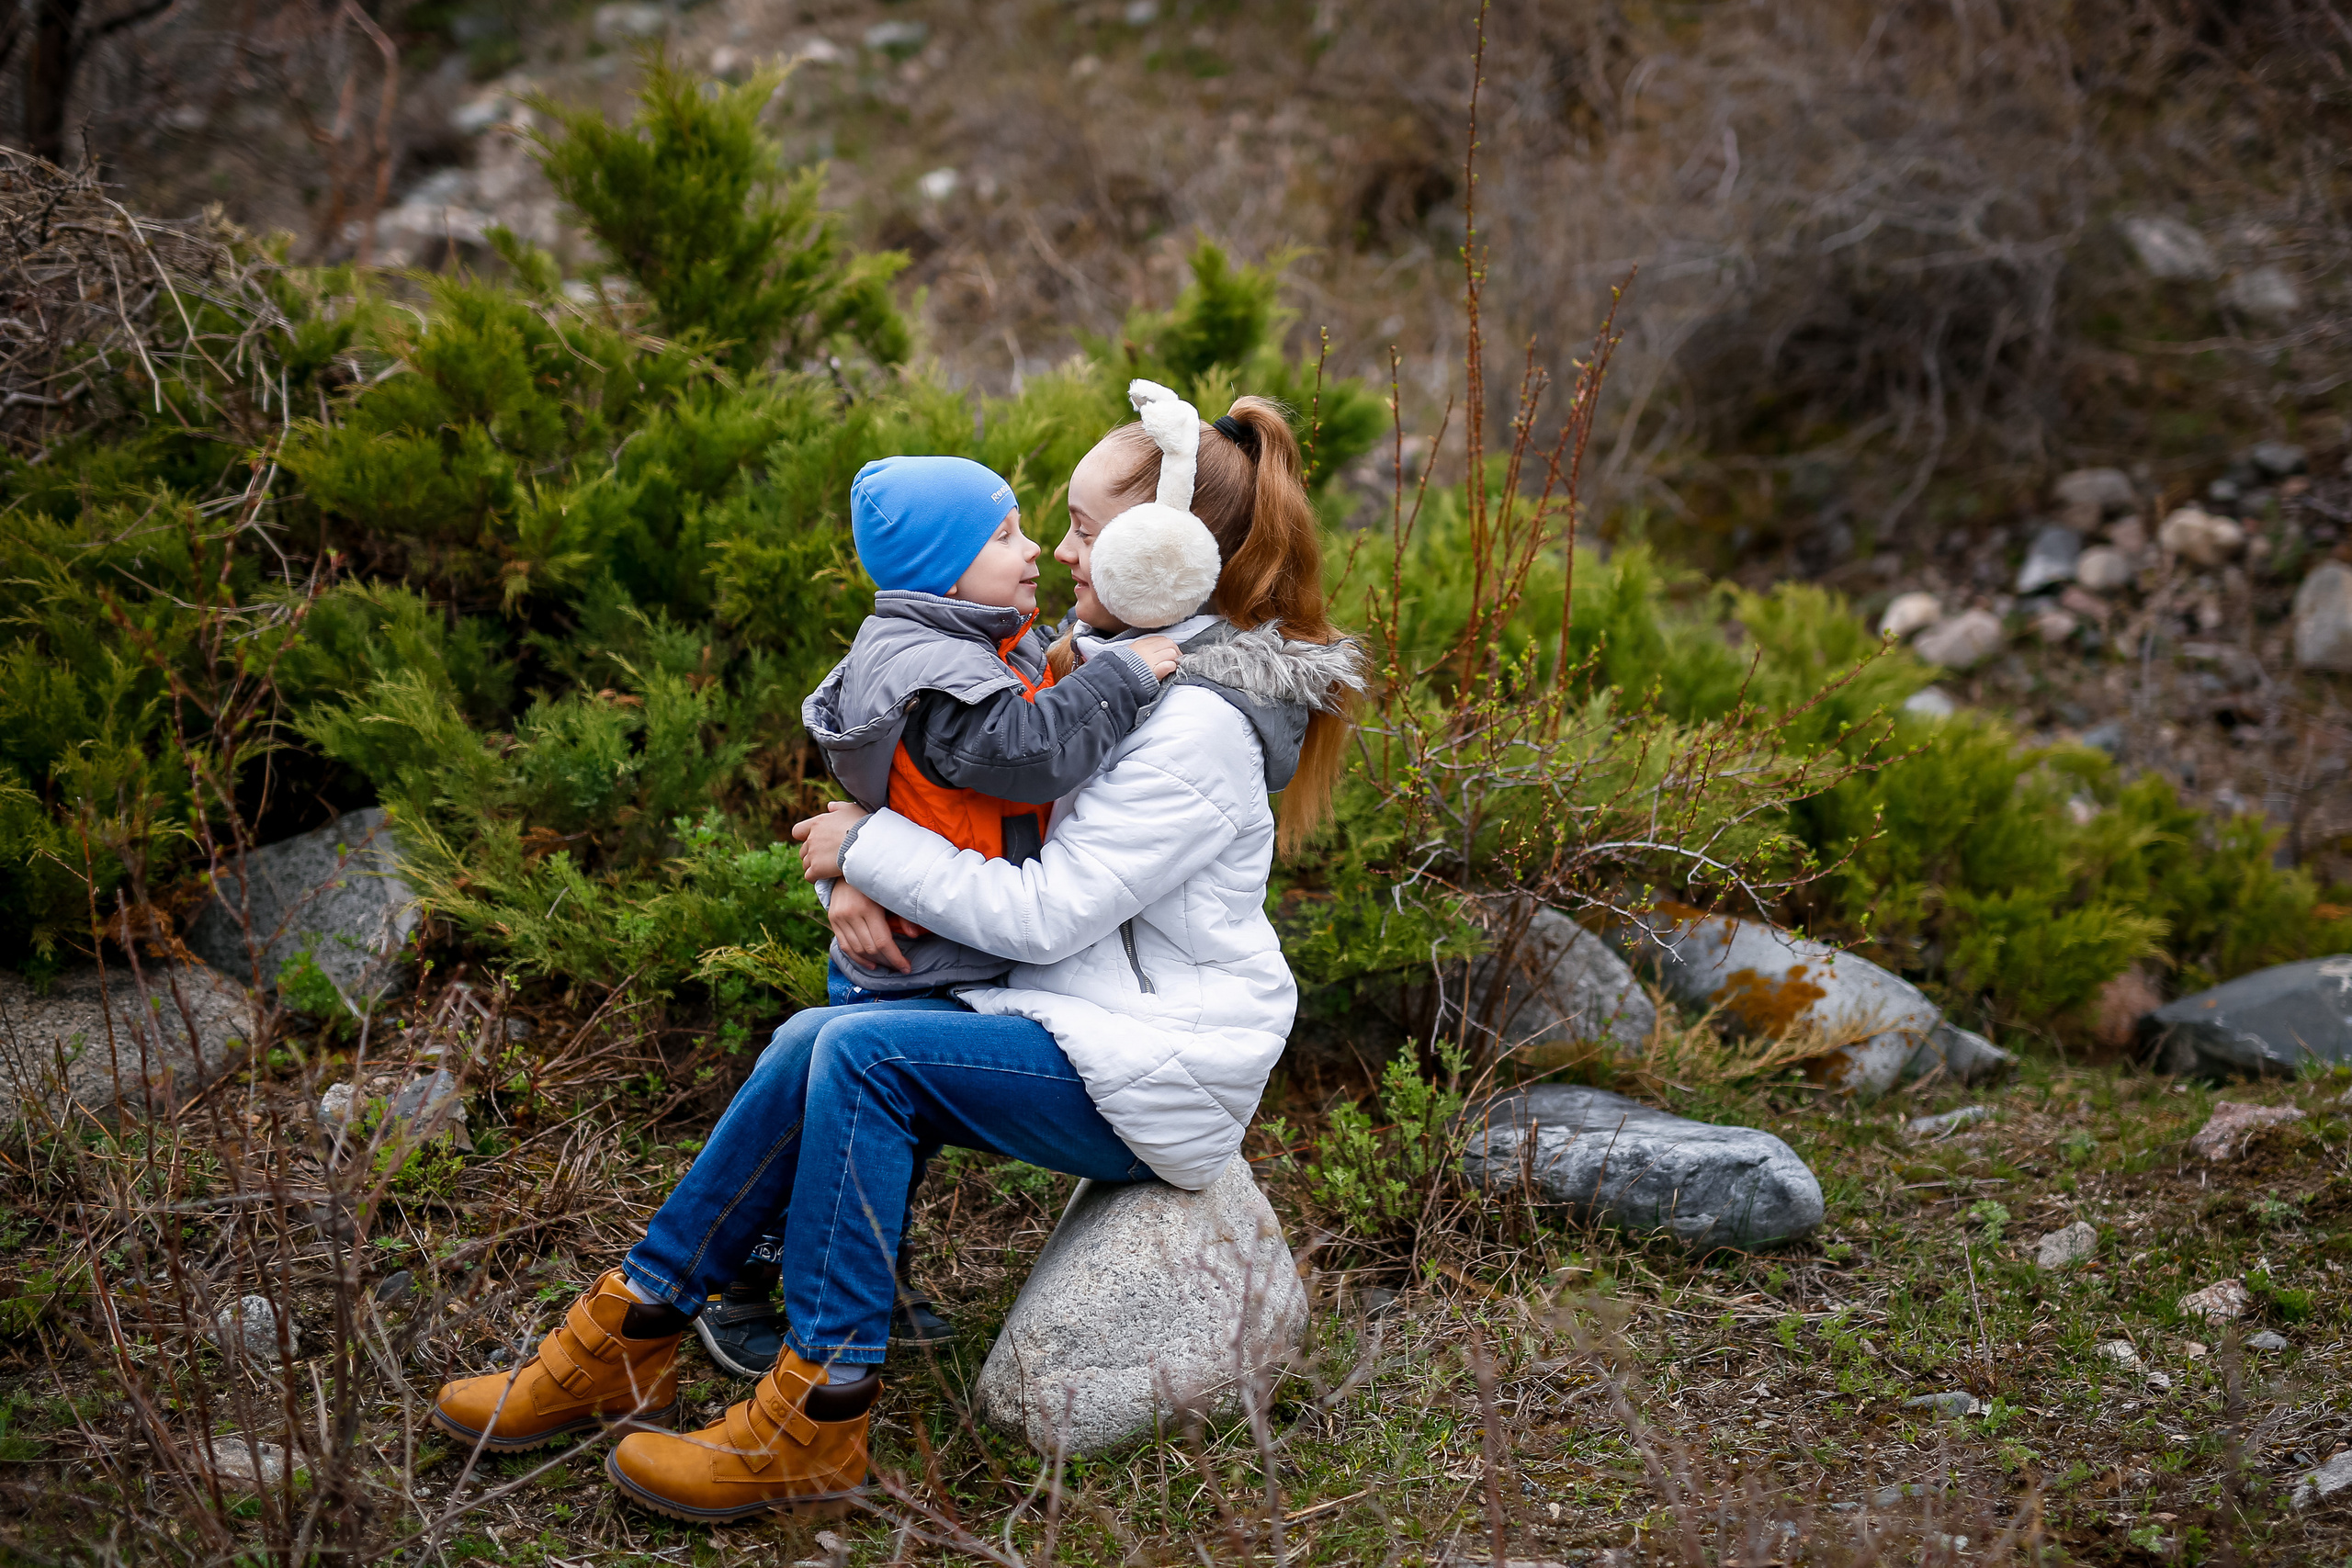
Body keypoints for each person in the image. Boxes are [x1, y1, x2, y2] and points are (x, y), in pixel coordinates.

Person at [428, 392, 1363, 1524]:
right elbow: (973, 808)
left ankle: (818, 1414)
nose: (1062, 552)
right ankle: (625, 1336)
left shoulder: (1196, 724)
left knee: (864, 1057)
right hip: (1072, 1021)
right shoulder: (1107, 667)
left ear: (1163, 548)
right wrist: (858, 867)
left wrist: (865, 847)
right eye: (1057, 528)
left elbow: (1045, 913)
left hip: (1162, 1068)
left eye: (1083, 530)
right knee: (810, 1038)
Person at [693, 454, 1182, 1377]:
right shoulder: (941, 669)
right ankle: (744, 1281)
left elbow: (915, 788)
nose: (1035, 549)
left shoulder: (984, 638)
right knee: (838, 1116)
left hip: (930, 936)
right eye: (1005, 536)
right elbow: (1030, 753)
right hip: (912, 952)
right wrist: (1125, 677)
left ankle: (873, 1274)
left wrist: (856, 857)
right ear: (944, 572)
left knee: (887, 1124)